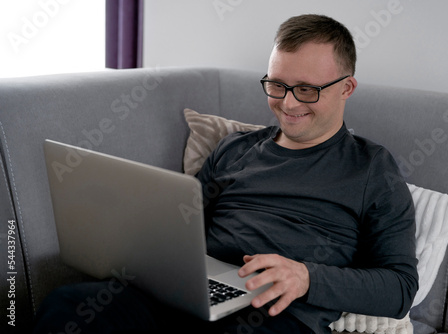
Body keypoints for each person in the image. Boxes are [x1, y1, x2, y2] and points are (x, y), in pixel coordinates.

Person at [33, 14, 418, 334]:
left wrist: (307, 277)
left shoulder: (372, 169)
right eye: (277, 85)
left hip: (275, 315)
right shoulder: (235, 148)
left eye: (306, 90)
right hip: (189, 295)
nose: (287, 103)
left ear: (346, 87)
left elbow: (400, 289)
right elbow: (185, 225)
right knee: (69, 305)